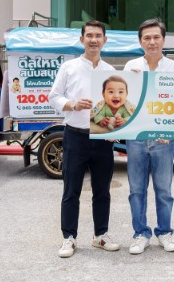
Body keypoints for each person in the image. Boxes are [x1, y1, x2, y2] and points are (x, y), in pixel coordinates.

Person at [49, 20, 120, 258]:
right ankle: (69, 238)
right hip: (75, 136)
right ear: (82, 39)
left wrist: (114, 130)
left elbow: (116, 104)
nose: (93, 40)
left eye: (98, 36)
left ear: (104, 40)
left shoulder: (110, 71)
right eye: (89, 35)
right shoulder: (69, 68)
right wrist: (72, 104)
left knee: (102, 190)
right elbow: (53, 96)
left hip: (102, 138)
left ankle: (101, 235)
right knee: (71, 190)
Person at [123, 18, 174, 255]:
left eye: (156, 37)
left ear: (164, 40)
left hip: (163, 138)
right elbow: (125, 102)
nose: (152, 42)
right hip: (136, 137)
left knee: (164, 190)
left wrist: (171, 130)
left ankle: (165, 232)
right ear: (140, 42)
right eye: (147, 38)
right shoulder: (131, 66)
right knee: (136, 189)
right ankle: (140, 234)